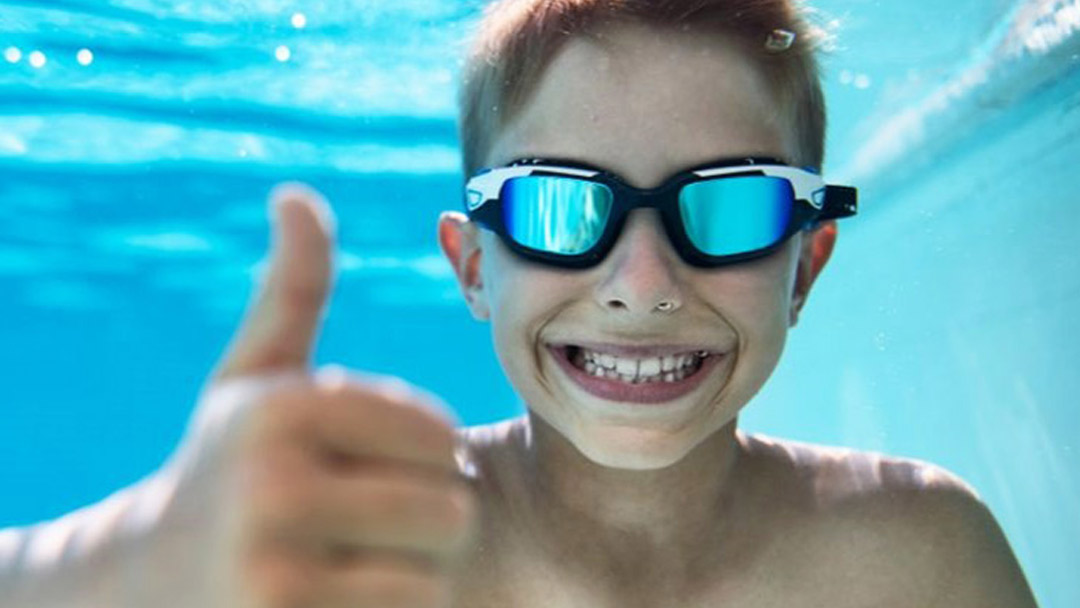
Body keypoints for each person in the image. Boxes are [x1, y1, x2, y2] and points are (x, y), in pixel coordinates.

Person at [0, 0, 1039, 607]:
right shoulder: (356, 553)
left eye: (729, 207)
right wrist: (116, 565)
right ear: (471, 267)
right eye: (558, 206)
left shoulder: (921, 556)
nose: (641, 283)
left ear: (805, 265)